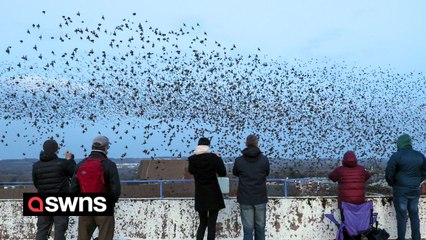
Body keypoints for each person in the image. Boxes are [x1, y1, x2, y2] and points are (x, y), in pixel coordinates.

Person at [71, 136, 121, 240]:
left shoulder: (81, 164)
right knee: (105, 236)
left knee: (83, 237)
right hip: (103, 204)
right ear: (106, 148)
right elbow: (115, 189)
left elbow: (74, 188)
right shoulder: (109, 165)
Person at [32, 139, 76, 240]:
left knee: (42, 229)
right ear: (56, 150)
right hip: (61, 201)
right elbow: (74, 173)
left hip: (43, 201)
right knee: (60, 229)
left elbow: (36, 183)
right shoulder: (63, 163)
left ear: (43, 149)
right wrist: (70, 160)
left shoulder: (36, 166)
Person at [385, 134, 426, 240]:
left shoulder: (397, 156)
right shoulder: (420, 155)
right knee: (414, 214)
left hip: (400, 190)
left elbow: (389, 172)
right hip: (414, 189)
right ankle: (416, 238)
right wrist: (417, 181)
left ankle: (401, 238)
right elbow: (424, 172)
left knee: (402, 217)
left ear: (400, 143)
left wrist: (392, 183)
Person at [188, 137, 227, 240]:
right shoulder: (213, 158)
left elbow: (191, 171)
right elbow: (222, 173)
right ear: (208, 146)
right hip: (213, 194)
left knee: (202, 223)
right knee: (211, 223)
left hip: (201, 195)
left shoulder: (192, 159)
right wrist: (219, 159)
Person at [232, 134, 270, 240]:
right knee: (260, 229)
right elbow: (266, 173)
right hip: (260, 197)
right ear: (257, 144)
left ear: (246, 144)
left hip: (245, 197)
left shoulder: (239, 160)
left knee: (248, 230)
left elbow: (236, 172)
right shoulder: (264, 160)